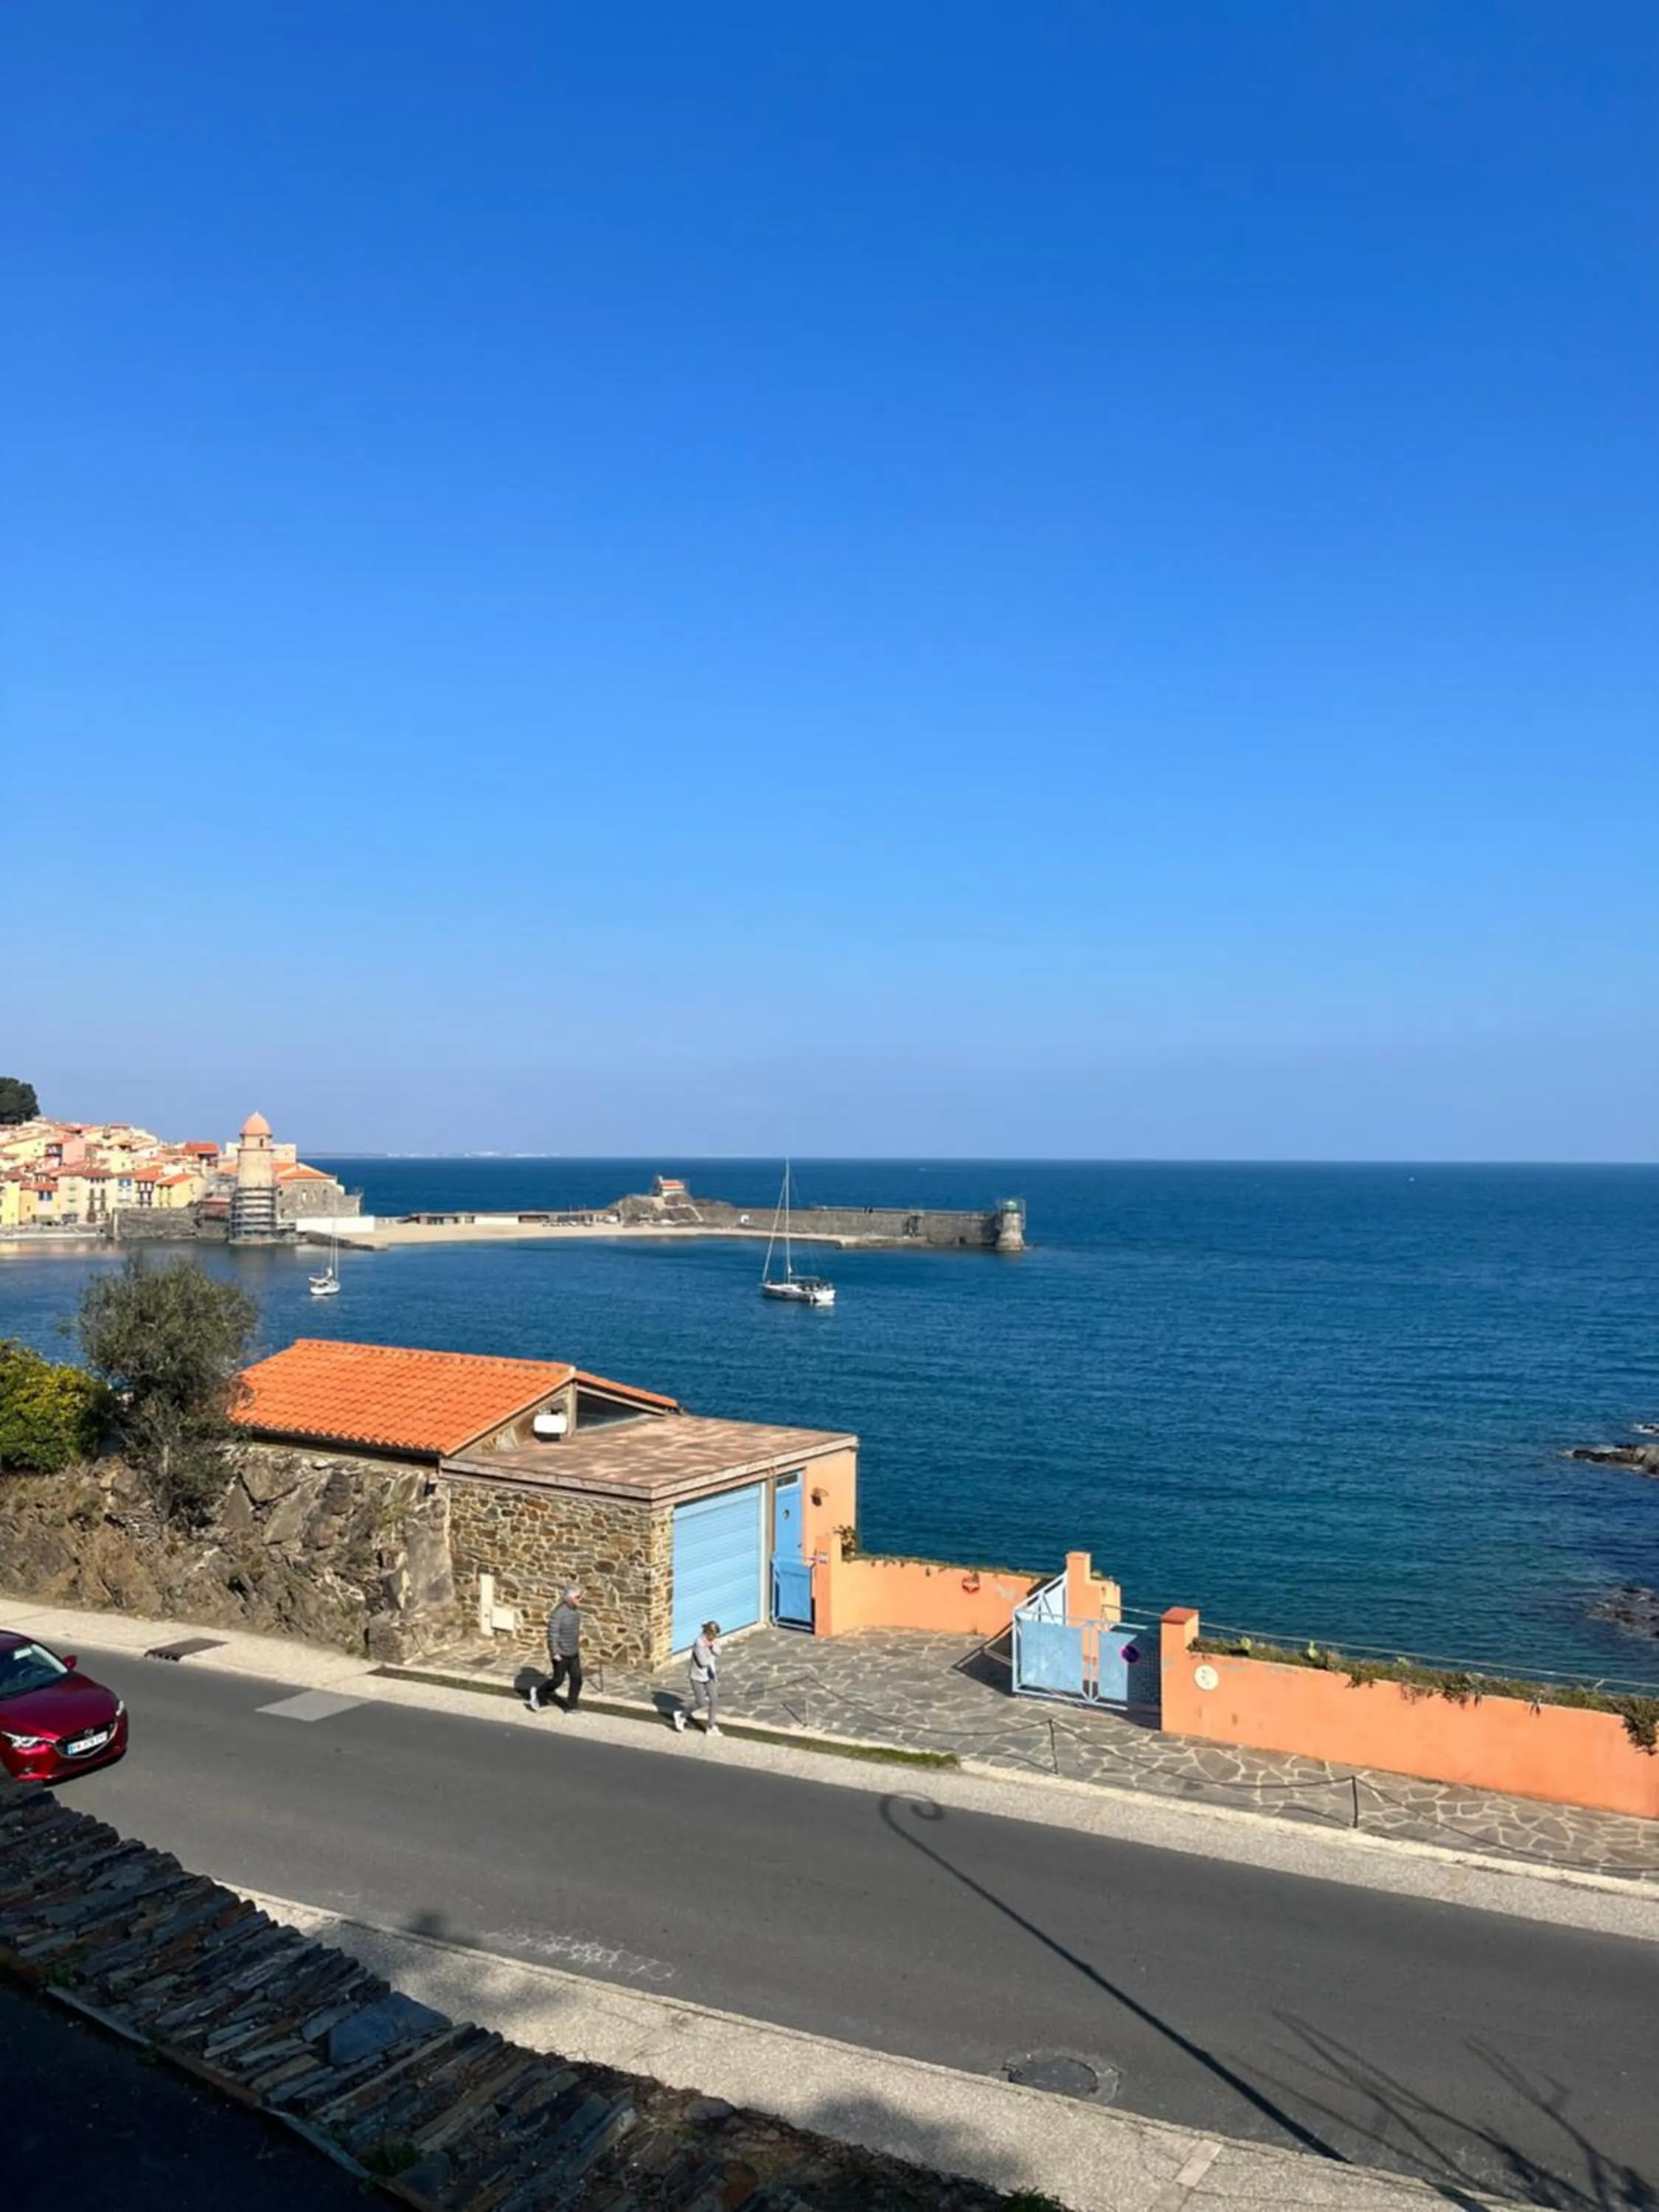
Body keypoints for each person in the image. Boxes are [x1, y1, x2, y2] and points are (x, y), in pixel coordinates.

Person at [530, 1585, 583, 1713]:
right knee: (558, 1680)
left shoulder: (575, 1612)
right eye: (578, 1597)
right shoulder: (558, 1614)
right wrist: (554, 1653)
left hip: (573, 1652)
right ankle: (539, 1692)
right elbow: (553, 1635)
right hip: (561, 1654)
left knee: (577, 1679)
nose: (580, 1599)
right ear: (569, 1598)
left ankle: (571, 1707)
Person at [673, 1620, 720, 1736]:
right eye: (713, 1635)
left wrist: (712, 1646)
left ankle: (711, 1726)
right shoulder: (699, 1643)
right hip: (697, 1676)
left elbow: (719, 1652)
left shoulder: (713, 1641)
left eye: (716, 1635)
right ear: (708, 1632)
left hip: (710, 1675)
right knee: (701, 1702)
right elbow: (703, 1662)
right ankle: (681, 1715)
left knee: (714, 1699)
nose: (715, 1638)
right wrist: (712, 1652)